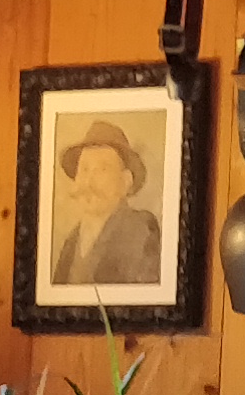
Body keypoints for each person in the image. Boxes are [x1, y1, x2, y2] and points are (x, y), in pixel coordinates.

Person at [49, 116, 162, 291]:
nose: (88, 182)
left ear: (125, 182)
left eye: (103, 169)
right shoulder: (71, 242)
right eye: (84, 169)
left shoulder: (141, 229)